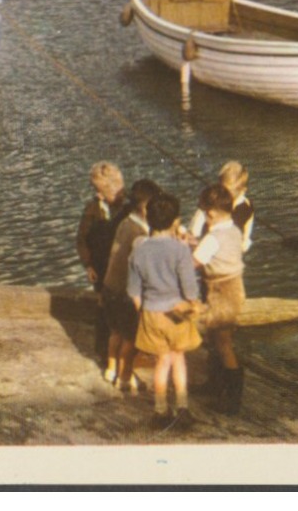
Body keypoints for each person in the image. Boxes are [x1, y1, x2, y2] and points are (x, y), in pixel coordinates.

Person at [127, 192, 203, 431]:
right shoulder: (180, 250)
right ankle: (182, 408)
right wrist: (194, 304)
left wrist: (144, 313)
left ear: (148, 219)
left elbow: (133, 290)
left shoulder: (139, 250)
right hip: (176, 313)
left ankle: (160, 411)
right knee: (178, 359)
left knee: (161, 363)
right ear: (175, 222)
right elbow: (190, 288)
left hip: (151, 313)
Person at [101, 177, 160, 391]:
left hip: (109, 286)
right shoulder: (141, 234)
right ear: (145, 208)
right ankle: (124, 376)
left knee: (115, 332)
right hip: (125, 292)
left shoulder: (125, 222)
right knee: (129, 338)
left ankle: (111, 369)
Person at [192, 182, 246, 415]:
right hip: (235, 288)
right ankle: (215, 384)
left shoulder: (211, 237)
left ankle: (233, 399)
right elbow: (214, 250)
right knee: (217, 338)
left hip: (220, 292)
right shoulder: (233, 229)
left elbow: (195, 262)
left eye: (205, 213)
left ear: (210, 214)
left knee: (223, 343)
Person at [76, 162, 129, 361]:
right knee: (104, 306)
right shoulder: (92, 209)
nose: (97, 195)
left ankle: (124, 350)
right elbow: (82, 239)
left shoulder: (127, 209)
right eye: (95, 191)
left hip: (122, 265)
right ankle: (104, 350)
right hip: (101, 265)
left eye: (101, 191)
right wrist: (88, 264)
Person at [189, 161, 254, 253]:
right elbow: (196, 225)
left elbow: (246, 234)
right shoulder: (211, 199)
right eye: (221, 189)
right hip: (204, 246)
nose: (223, 195)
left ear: (242, 190)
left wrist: (242, 246)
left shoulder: (246, 207)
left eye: (228, 193)